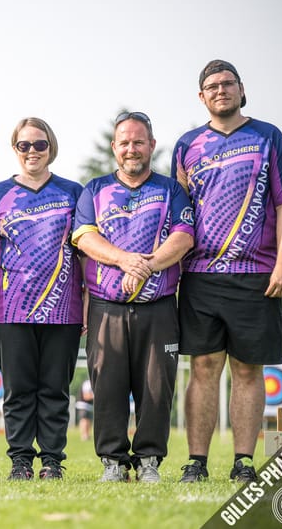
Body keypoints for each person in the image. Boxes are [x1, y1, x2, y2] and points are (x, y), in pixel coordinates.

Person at [172, 60, 282, 483]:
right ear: (202, 97)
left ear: (241, 89)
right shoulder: (187, 145)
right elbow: (178, 214)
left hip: (257, 275)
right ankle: (196, 461)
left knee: (248, 369)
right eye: (211, 86)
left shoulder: (269, 136)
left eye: (228, 84)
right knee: (204, 367)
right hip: (200, 275)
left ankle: (244, 461)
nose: (220, 90)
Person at [72, 111, 194, 483]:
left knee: (157, 388)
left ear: (152, 145)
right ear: (114, 147)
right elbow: (85, 238)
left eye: (138, 141)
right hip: (106, 307)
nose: (131, 149)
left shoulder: (171, 190)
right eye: (124, 142)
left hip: (158, 307)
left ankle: (148, 462)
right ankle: (113, 461)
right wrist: (126, 260)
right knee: (107, 386)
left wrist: (148, 266)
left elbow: (185, 236)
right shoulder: (94, 190)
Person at [0, 117, 84, 480]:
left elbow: (85, 251)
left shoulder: (73, 191)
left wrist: (86, 304)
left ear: (50, 147)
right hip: (10, 306)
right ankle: (21, 460)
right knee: (18, 389)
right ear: (15, 150)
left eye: (39, 145)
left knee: (55, 389)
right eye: (24, 145)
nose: (32, 152)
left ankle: (52, 461)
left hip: (63, 305)